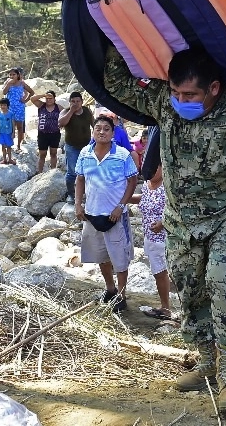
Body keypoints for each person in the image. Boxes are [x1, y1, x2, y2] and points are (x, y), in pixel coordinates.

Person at [104, 37, 226, 412]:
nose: (182, 101)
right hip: (183, 220)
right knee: (191, 290)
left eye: (191, 94)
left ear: (214, 88)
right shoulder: (162, 103)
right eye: (176, 92)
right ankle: (206, 364)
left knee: (225, 280)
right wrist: (110, 33)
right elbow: (118, 85)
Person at [74, 114, 139, 314]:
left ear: (113, 133)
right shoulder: (85, 153)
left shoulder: (122, 155)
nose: (102, 132)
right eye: (98, 128)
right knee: (101, 255)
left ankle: (121, 295)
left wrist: (121, 205)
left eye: (106, 129)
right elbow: (80, 179)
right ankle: (110, 290)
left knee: (119, 258)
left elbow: (132, 180)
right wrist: (78, 204)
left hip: (115, 216)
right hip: (92, 215)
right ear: (93, 131)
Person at [126, 163, 173, 320]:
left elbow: (177, 208)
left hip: (167, 239)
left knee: (168, 274)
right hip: (150, 237)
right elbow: (144, 199)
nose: (150, 171)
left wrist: (162, 223)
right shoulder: (146, 185)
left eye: (155, 167)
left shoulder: (168, 185)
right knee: (159, 274)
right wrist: (125, 198)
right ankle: (165, 308)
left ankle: (169, 308)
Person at [58, 91, 93, 201]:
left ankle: (84, 194)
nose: (76, 103)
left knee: (87, 171)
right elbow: (61, 123)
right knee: (72, 172)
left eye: (78, 101)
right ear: (69, 102)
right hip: (72, 147)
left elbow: (94, 123)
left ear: (82, 102)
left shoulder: (87, 111)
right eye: (73, 101)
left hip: (87, 146)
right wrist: (71, 111)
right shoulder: (66, 111)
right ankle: (71, 195)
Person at [30, 89, 63, 173]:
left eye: (51, 98)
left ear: (54, 99)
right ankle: (39, 172)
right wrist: (43, 95)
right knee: (42, 154)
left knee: (53, 153)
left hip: (55, 133)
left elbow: (66, 115)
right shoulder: (41, 105)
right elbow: (32, 99)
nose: (49, 100)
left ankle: (52, 171)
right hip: (42, 134)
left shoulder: (58, 107)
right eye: (47, 98)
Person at [2, 68, 32, 154]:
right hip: (10, 108)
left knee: (19, 127)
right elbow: (4, 92)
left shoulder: (22, 83)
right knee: (10, 127)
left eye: (13, 74)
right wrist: (8, 84)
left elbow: (31, 92)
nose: (11, 76)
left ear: (18, 75)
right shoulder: (8, 83)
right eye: (10, 75)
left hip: (19, 108)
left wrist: (25, 100)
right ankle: (9, 146)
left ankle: (19, 145)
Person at [0, 98, 15, 165]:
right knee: (3, 146)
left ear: (7, 106)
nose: (2, 107)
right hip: (1, 132)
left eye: (4, 105)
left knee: (9, 146)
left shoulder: (11, 114)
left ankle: (10, 159)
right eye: (1, 105)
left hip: (8, 133)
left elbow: (13, 124)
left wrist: (13, 133)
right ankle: (4, 160)